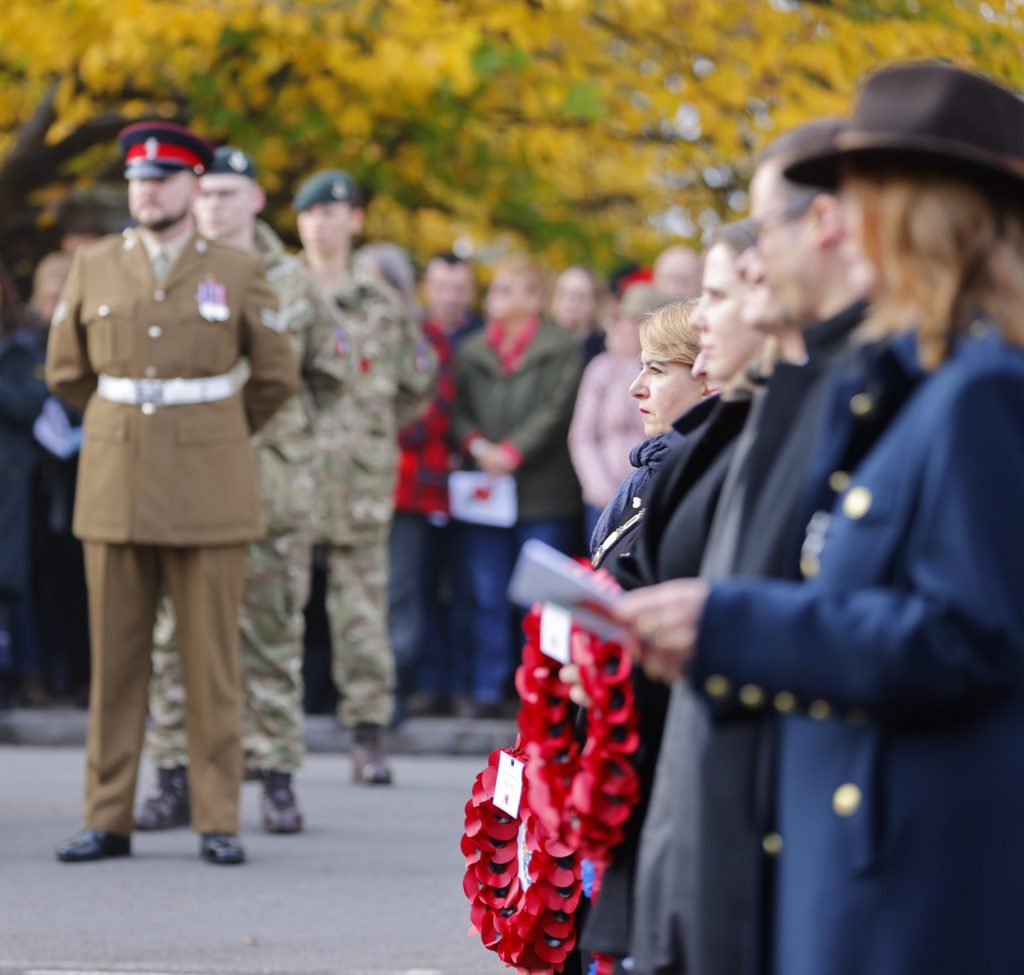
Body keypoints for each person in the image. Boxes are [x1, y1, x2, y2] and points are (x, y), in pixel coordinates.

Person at [615, 63, 1024, 975]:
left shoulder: (984, 391)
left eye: (852, 197)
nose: (829, 226)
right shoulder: (925, 385)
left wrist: (733, 622)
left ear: (912, 212)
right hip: (855, 859)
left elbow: (968, 633)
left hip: (913, 875)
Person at [46, 120, 298, 866]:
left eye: (162, 177)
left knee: (210, 662)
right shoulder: (94, 265)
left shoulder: (237, 267)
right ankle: (107, 815)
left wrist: (214, 432)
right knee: (115, 663)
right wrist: (127, 422)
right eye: (137, 179)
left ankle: (217, 817)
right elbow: (67, 371)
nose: (147, 189)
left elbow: (275, 376)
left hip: (208, 488)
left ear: (193, 185)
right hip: (117, 483)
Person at [137, 146, 328, 835]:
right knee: (172, 634)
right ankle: (173, 778)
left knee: (273, 630)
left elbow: (329, 378)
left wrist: (297, 456)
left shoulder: (297, 282)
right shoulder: (169, 271)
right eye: (206, 191)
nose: (215, 204)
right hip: (184, 481)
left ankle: (275, 777)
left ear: (254, 201)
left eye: (228, 192)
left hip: (272, 482)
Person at [294, 169, 435, 782]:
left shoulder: (380, 303)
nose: (323, 223)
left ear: (354, 221)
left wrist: (366, 433)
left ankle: (367, 736)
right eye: (312, 212)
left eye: (335, 211)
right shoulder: (278, 290)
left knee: (361, 611)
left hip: (359, 480)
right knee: (270, 609)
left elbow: (414, 386)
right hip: (285, 476)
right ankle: (261, 740)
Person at [451, 255, 582, 718]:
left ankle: (536, 692)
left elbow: (557, 409)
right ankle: (489, 687)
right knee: (485, 593)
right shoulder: (471, 351)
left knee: (538, 598)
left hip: (543, 493)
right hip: (485, 492)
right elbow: (454, 408)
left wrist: (514, 451)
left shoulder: (561, 348)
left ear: (533, 297)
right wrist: (477, 445)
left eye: (507, 289)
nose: (494, 298)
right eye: (495, 289)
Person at [569, 284, 672, 545]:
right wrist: (600, 490)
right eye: (625, 319)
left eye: (637, 321)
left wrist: (633, 364)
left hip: (650, 493)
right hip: (602, 497)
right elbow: (582, 436)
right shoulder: (600, 368)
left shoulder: (666, 372)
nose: (627, 328)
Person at [0, 260, 48, 709]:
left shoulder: (22, 346)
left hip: (10, 480)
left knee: (10, 582)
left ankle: (22, 674)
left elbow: (31, 406)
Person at [422, 251, 482, 349]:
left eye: (460, 289)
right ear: (425, 288)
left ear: (473, 290)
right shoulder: (410, 331)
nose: (450, 298)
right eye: (440, 288)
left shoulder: (488, 336)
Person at [549, 265, 606, 364]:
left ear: (595, 304)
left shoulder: (604, 352)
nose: (569, 302)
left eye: (580, 296)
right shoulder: (536, 342)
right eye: (563, 293)